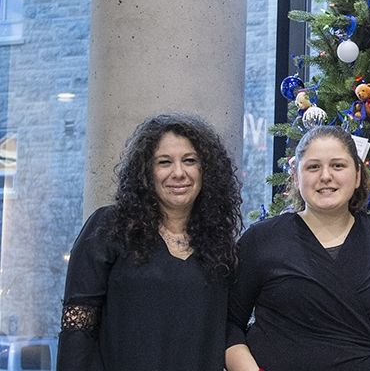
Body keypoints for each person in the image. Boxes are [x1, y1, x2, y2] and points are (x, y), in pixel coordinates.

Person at [58, 113, 243, 371]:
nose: (179, 173)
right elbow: (78, 329)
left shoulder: (219, 243)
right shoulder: (109, 227)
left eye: (190, 161)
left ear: (206, 170)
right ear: (146, 172)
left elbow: (226, 329)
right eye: (164, 162)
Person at [225, 125, 370, 371]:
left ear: (357, 174)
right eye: (313, 167)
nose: (325, 176)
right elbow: (228, 324)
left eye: (338, 166)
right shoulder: (261, 239)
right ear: (296, 176)